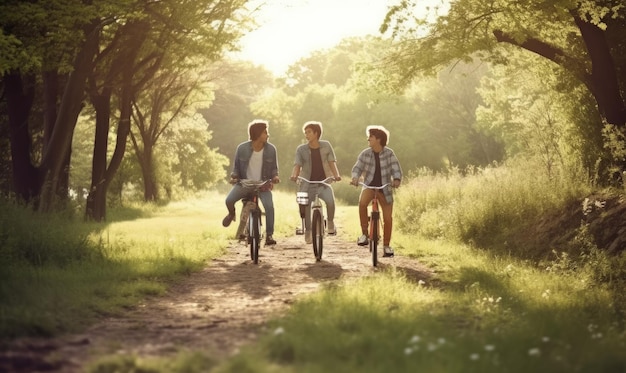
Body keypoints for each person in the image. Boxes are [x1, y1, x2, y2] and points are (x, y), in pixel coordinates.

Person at [223, 119, 280, 245]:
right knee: (229, 200)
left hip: (263, 184)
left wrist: (275, 177)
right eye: (265, 132)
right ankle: (231, 214)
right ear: (257, 133)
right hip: (244, 183)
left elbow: (274, 168)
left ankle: (269, 235)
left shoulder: (271, 149)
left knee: (269, 207)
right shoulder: (242, 148)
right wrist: (234, 177)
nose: (267, 135)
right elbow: (236, 167)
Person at [350, 125, 402, 257]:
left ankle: (386, 246)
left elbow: (396, 168)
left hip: (385, 189)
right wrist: (355, 178)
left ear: (378, 139)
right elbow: (357, 167)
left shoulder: (389, 153)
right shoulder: (365, 153)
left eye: (371, 137)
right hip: (369, 186)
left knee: (388, 218)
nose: (368, 139)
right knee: (362, 204)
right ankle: (364, 234)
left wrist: (396, 179)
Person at [290, 121, 341, 244]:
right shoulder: (301, 149)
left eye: (309, 132)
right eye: (305, 132)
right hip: (307, 183)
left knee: (330, 201)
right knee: (305, 206)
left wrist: (336, 175)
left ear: (316, 133)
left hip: (323, 183)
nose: (306, 135)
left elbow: (331, 162)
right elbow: (297, 164)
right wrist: (294, 175)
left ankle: (330, 223)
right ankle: (308, 231)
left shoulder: (326, 146)